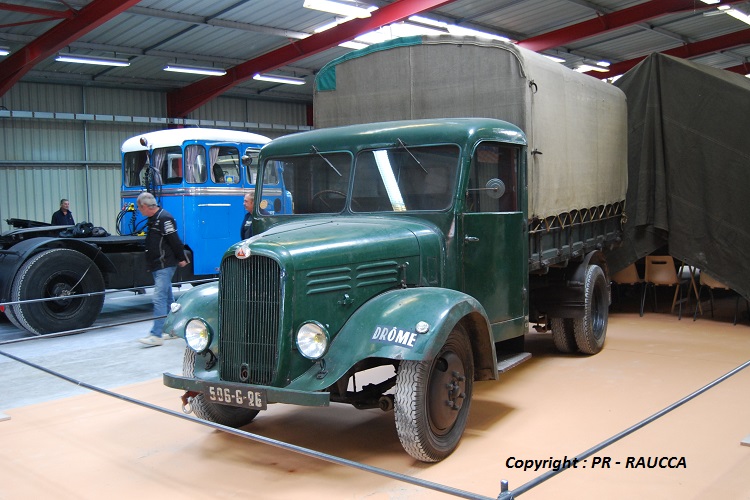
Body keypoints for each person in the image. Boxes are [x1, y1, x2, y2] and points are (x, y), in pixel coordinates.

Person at [136, 192, 188, 347]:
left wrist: (181, 258)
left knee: (158, 298)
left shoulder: (164, 218)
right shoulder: (154, 219)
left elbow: (174, 240)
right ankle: (172, 330)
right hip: (157, 264)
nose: (139, 211)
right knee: (168, 299)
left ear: (145, 206)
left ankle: (156, 334)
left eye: (139, 208)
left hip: (165, 264)